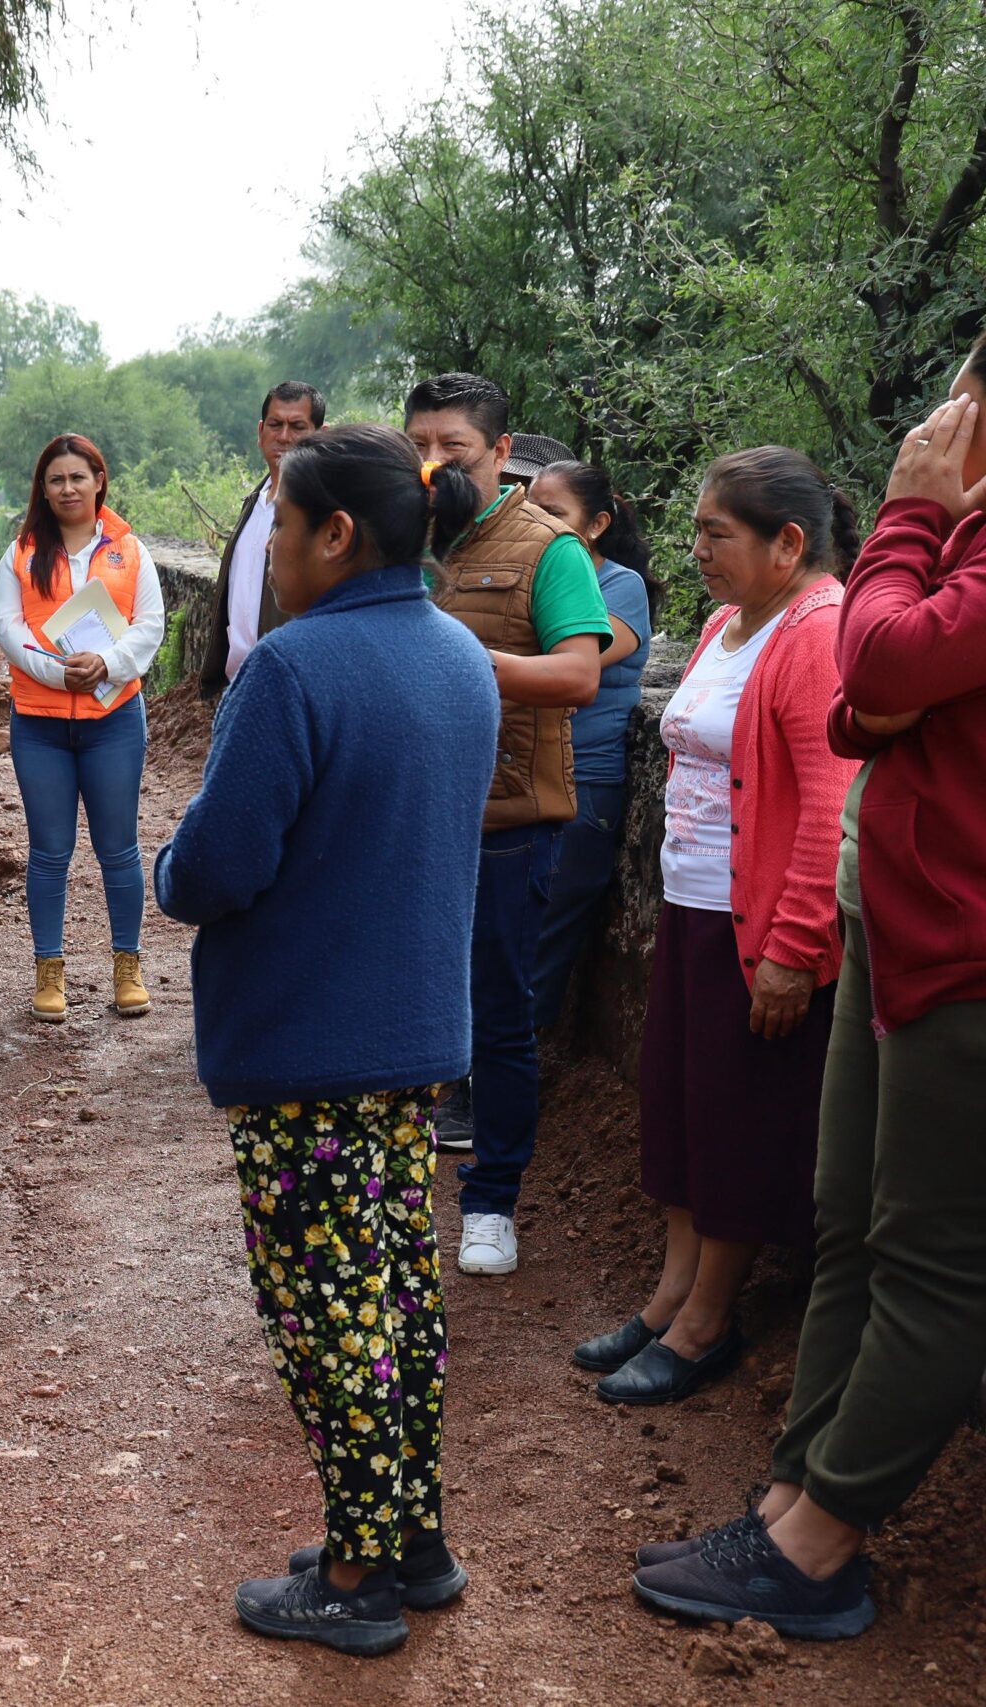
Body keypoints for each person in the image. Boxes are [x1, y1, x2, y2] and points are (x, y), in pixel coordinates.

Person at [635, 299, 986, 1639]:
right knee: (852, 1217)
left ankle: (822, 1546)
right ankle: (791, 1494)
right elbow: (866, 708)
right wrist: (910, 629)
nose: (932, 432)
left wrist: (908, 511)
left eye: (953, 403)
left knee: (930, 1258)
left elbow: (879, 654)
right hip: (927, 924)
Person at [156, 424, 496, 1657]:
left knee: (324, 1309)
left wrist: (165, 866)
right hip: (411, 1036)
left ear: (335, 535)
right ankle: (411, 1535)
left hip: (311, 1044)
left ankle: (356, 1577)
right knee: (398, 1290)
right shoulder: (460, 656)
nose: (272, 555)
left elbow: (216, 868)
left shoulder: (294, 670)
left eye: (281, 532)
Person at [572, 448, 857, 1407]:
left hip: (758, 929)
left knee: (736, 1121)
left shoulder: (816, 631)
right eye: (695, 529)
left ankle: (708, 1321)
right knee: (683, 1104)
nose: (694, 549)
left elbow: (828, 806)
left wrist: (793, 947)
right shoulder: (731, 623)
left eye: (714, 533)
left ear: (788, 542)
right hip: (697, 910)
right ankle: (669, 1295)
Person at [404, 373, 611, 1277]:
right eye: (420, 444)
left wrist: (467, 659)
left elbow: (576, 676)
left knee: (499, 1018)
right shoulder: (398, 535)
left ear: (500, 451)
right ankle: (399, 1191)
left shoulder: (548, 549)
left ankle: (492, 1201)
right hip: (406, 819)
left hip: (507, 822)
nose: (433, 463)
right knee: (406, 1013)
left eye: (452, 447)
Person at [0, 433, 166, 1022]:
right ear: (43, 489)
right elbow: (9, 629)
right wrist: (54, 672)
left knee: (118, 848)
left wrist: (107, 665)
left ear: (98, 481)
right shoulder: (20, 553)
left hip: (113, 719)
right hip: (39, 723)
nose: (67, 488)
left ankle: (127, 965)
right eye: (55, 480)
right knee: (49, 852)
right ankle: (49, 972)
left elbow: (150, 625)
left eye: (77, 477)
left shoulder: (129, 550)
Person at [525, 460, 660, 1025]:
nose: (537, 523)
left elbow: (561, 668)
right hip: (520, 775)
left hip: (582, 785)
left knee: (543, 939)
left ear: (598, 524)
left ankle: (499, 1082)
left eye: (553, 513)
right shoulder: (533, 575)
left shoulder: (619, 589)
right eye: (530, 510)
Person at [198, 381, 324, 695]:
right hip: (239, 686)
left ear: (321, 435)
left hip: (292, 687)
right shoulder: (253, 505)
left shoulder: (325, 513)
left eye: (297, 427)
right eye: (275, 425)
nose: (283, 437)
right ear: (260, 431)